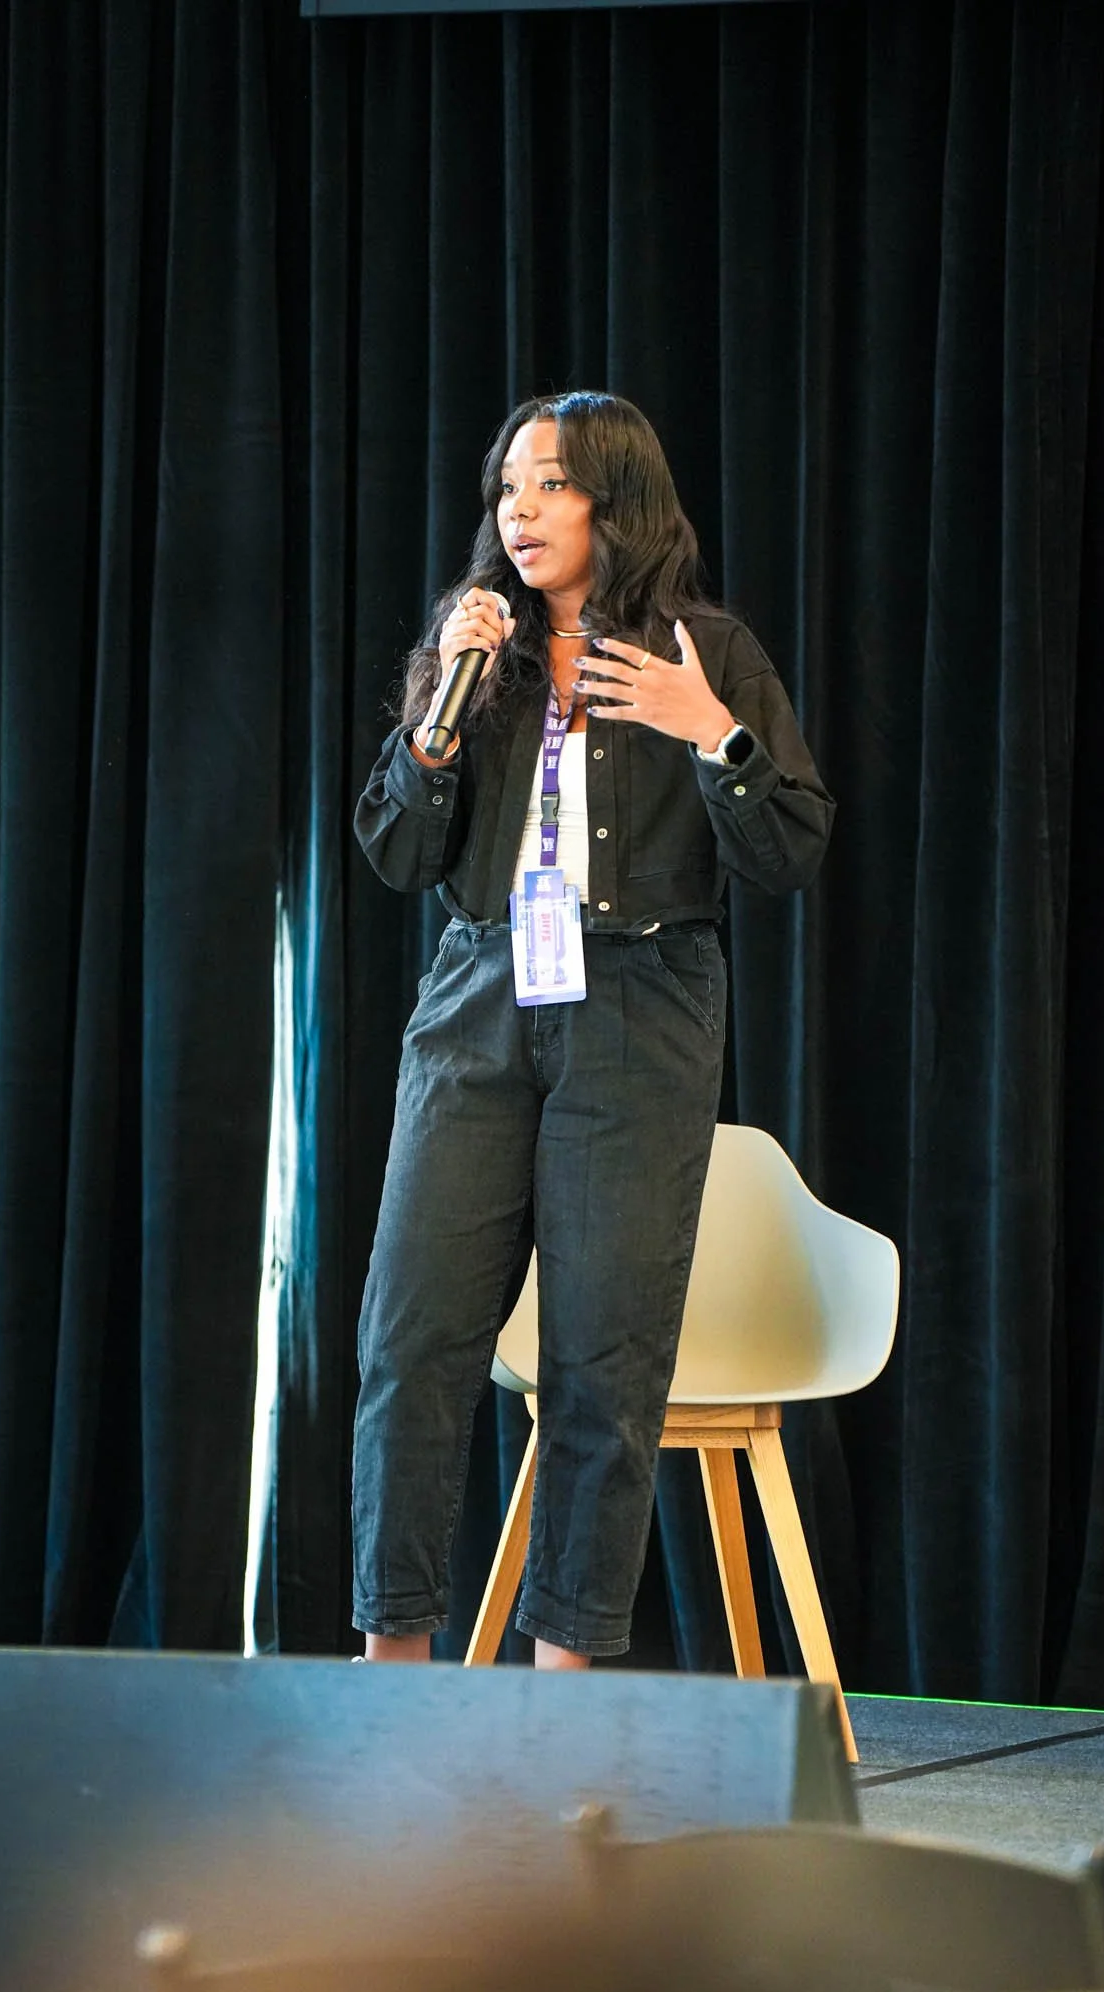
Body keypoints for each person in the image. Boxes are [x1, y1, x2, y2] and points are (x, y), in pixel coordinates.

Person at [352, 390, 834, 1669]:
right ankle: (388, 1675)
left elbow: (789, 848)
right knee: (409, 1339)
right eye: (507, 489)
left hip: (641, 1003)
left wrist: (708, 732)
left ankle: (561, 1688)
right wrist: (433, 725)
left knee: (600, 1365)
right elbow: (395, 851)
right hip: (479, 994)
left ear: (616, 500)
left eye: (550, 484)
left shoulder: (705, 649)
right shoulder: (477, 655)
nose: (519, 512)